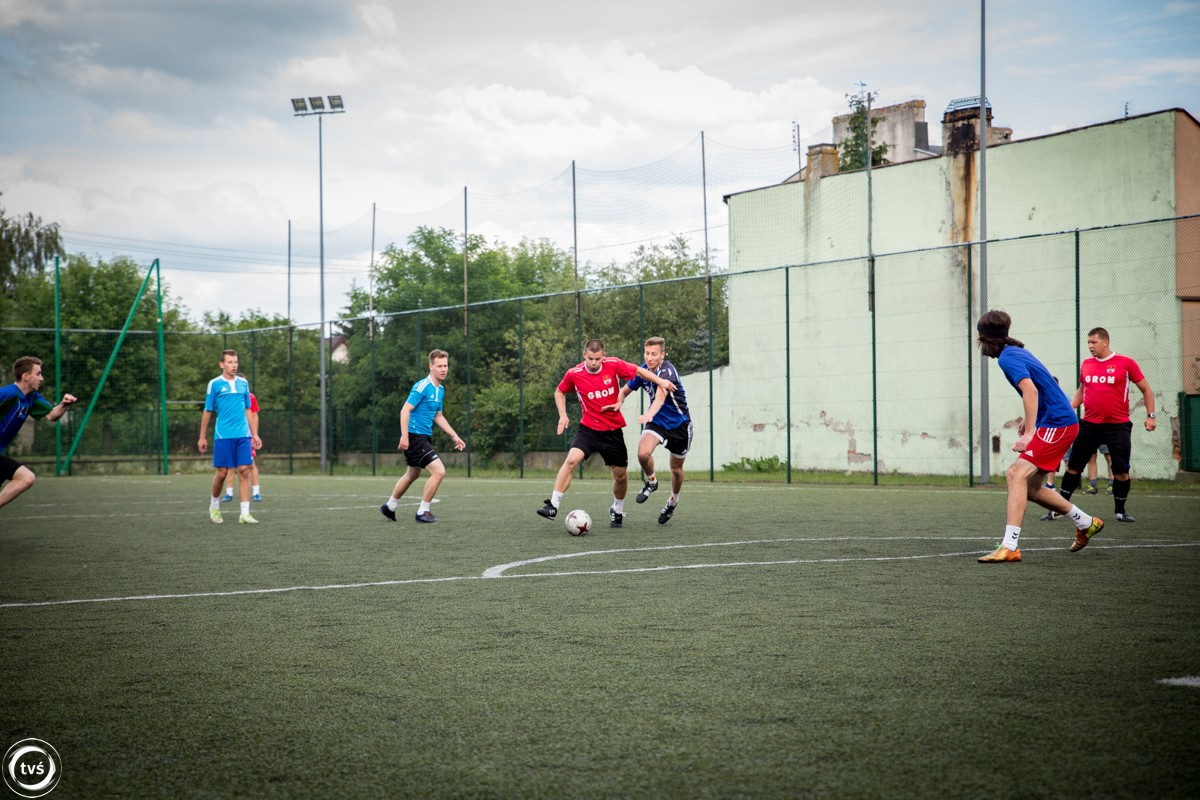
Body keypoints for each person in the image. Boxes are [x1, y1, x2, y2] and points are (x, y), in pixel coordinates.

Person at [975, 310, 1103, 563]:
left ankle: (1009, 546)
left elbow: (1031, 391)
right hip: (1056, 420)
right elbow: (1047, 386)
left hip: (1057, 424)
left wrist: (1030, 432)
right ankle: (1086, 523)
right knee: (1031, 489)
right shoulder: (1016, 351)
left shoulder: (1007, 358)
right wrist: (1031, 419)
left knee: (1015, 474)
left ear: (984, 339)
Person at [537, 338, 676, 528]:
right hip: (588, 430)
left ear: (604, 356)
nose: (594, 363)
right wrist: (563, 415)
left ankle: (617, 510)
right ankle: (553, 505)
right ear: (584, 355)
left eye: (598, 359)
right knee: (571, 460)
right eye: (590, 359)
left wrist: (661, 381)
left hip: (612, 431)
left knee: (621, 476)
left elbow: (638, 370)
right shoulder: (574, 374)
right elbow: (559, 392)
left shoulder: (613, 364)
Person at [1049, 327, 1155, 523]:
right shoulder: (1087, 364)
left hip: (1118, 426)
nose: (1090, 346)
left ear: (1105, 342)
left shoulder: (1126, 363)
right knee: (1073, 466)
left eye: (1094, 342)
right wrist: (1068, 409)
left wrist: (1151, 416)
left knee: (1121, 470)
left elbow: (1146, 390)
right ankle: (1059, 508)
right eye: (1088, 342)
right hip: (1089, 425)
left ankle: (1120, 511)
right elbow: (1082, 390)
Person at [605, 336, 692, 525]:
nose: (650, 358)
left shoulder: (667, 371)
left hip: (679, 425)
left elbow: (660, 398)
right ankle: (652, 481)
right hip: (657, 422)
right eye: (647, 353)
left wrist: (648, 414)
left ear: (662, 355)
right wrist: (618, 402)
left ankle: (673, 501)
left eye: (654, 354)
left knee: (676, 470)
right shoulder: (643, 371)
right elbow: (624, 390)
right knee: (643, 453)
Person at [380, 349, 466, 524]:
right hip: (414, 437)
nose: (443, 369)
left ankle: (390, 506)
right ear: (431, 366)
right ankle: (423, 512)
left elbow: (438, 416)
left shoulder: (440, 389)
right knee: (439, 472)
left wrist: (454, 436)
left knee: (412, 474)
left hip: (424, 437)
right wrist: (405, 436)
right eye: (439, 366)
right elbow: (405, 410)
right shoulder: (422, 386)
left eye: (445, 365)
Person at [0, 357, 77, 511]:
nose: (42, 378)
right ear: (26, 376)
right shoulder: (8, 394)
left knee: (26, 478)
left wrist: (64, 405)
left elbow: (52, 415)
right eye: (38, 374)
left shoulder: (32, 397)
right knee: (26, 477)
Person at [198, 350, 261, 524]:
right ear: (222, 364)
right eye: (230, 362)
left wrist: (254, 434)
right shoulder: (214, 384)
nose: (234, 365)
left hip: (243, 435)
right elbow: (207, 411)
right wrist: (202, 437)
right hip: (223, 435)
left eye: (236, 362)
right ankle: (214, 506)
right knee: (222, 473)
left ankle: (245, 514)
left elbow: (248, 409)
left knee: (244, 470)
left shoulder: (243, 383)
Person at [222, 373, 261, 503]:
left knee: (250, 464)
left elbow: (254, 415)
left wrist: (254, 434)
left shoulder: (250, 397)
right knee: (230, 465)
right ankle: (229, 493)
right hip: (232, 434)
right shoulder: (229, 396)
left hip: (246, 436)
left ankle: (256, 492)